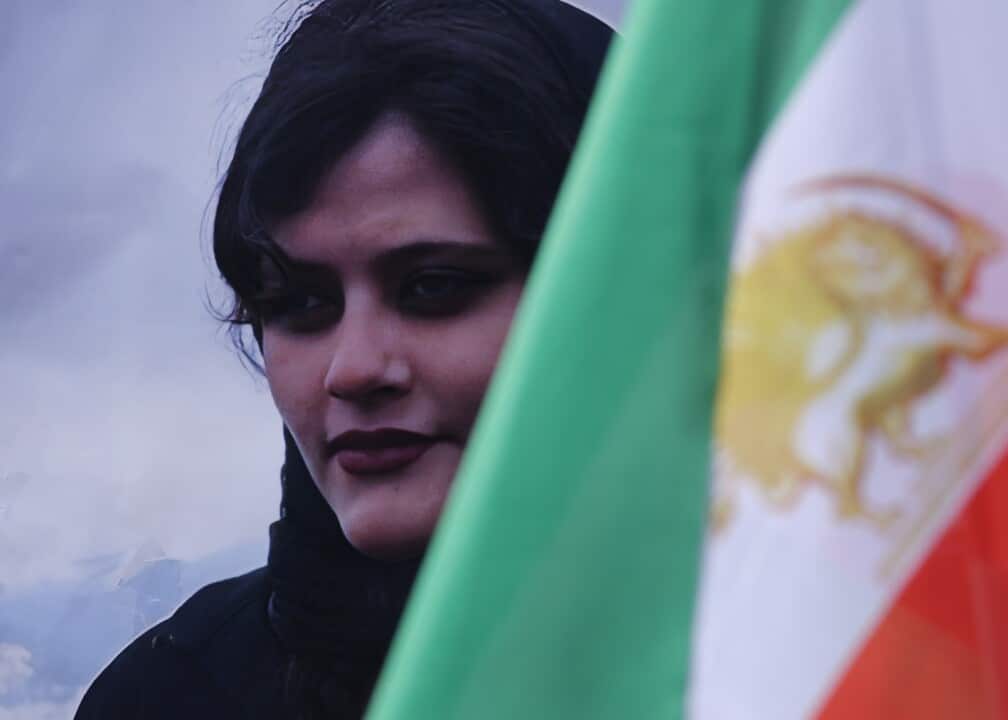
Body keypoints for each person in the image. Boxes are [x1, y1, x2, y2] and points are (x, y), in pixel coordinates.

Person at [75, 1, 613, 717]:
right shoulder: (168, 699)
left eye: (433, 287)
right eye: (298, 303)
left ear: (615, 293)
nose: (353, 369)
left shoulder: (786, 665)